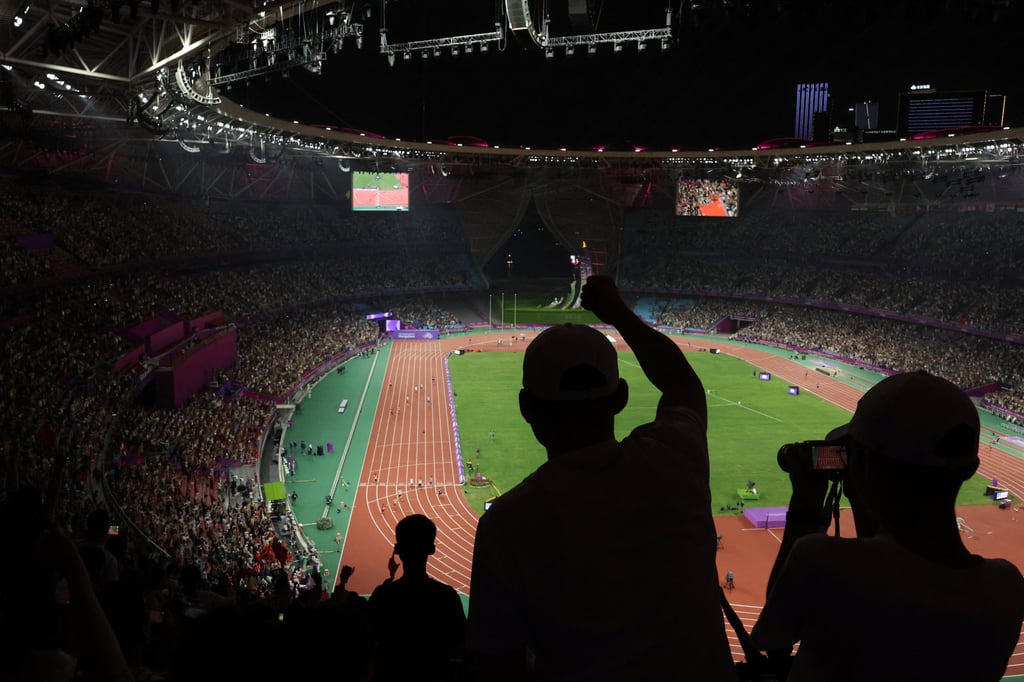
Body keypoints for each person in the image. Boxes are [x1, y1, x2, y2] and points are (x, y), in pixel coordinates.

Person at [467, 276, 736, 682]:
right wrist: (615, 311)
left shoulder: (507, 525)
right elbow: (682, 383)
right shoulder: (675, 459)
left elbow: (494, 664)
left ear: (526, 408)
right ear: (622, 397)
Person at [751, 371, 1024, 681]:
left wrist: (805, 508)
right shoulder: (1007, 589)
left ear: (864, 463)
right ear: (971, 469)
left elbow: (770, 639)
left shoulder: (822, 561)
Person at [368, 514, 466, 682]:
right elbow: (460, 641)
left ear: (397, 550)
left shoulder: (383, 596)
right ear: (432, 549)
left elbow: (370, 638)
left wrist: (390, 578)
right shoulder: (447, 597)